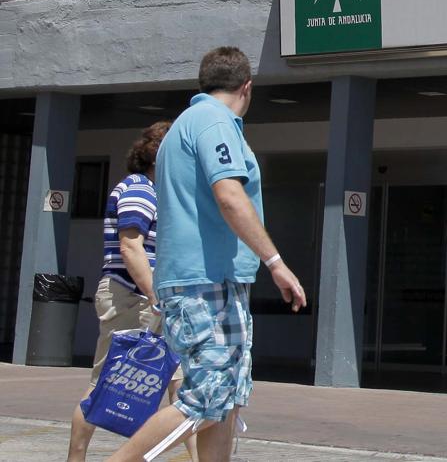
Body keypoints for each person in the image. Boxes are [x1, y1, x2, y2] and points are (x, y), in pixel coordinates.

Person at [108, 47, 307, 462]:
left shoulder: (187, 124)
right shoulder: (216, 123)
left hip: (205, 279)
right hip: (205, 281)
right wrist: (276, 262)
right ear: (247, 88)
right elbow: (230, 195)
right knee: (205, 400)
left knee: (225, 399)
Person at [67, 122, 198, 462]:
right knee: (105, 383)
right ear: (160, 156)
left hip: (154, 301)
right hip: (133, 297)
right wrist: (155, 297)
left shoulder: (156, 191)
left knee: (182, 388)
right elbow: (130, 247)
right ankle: (75, 458)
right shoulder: (140, 190)